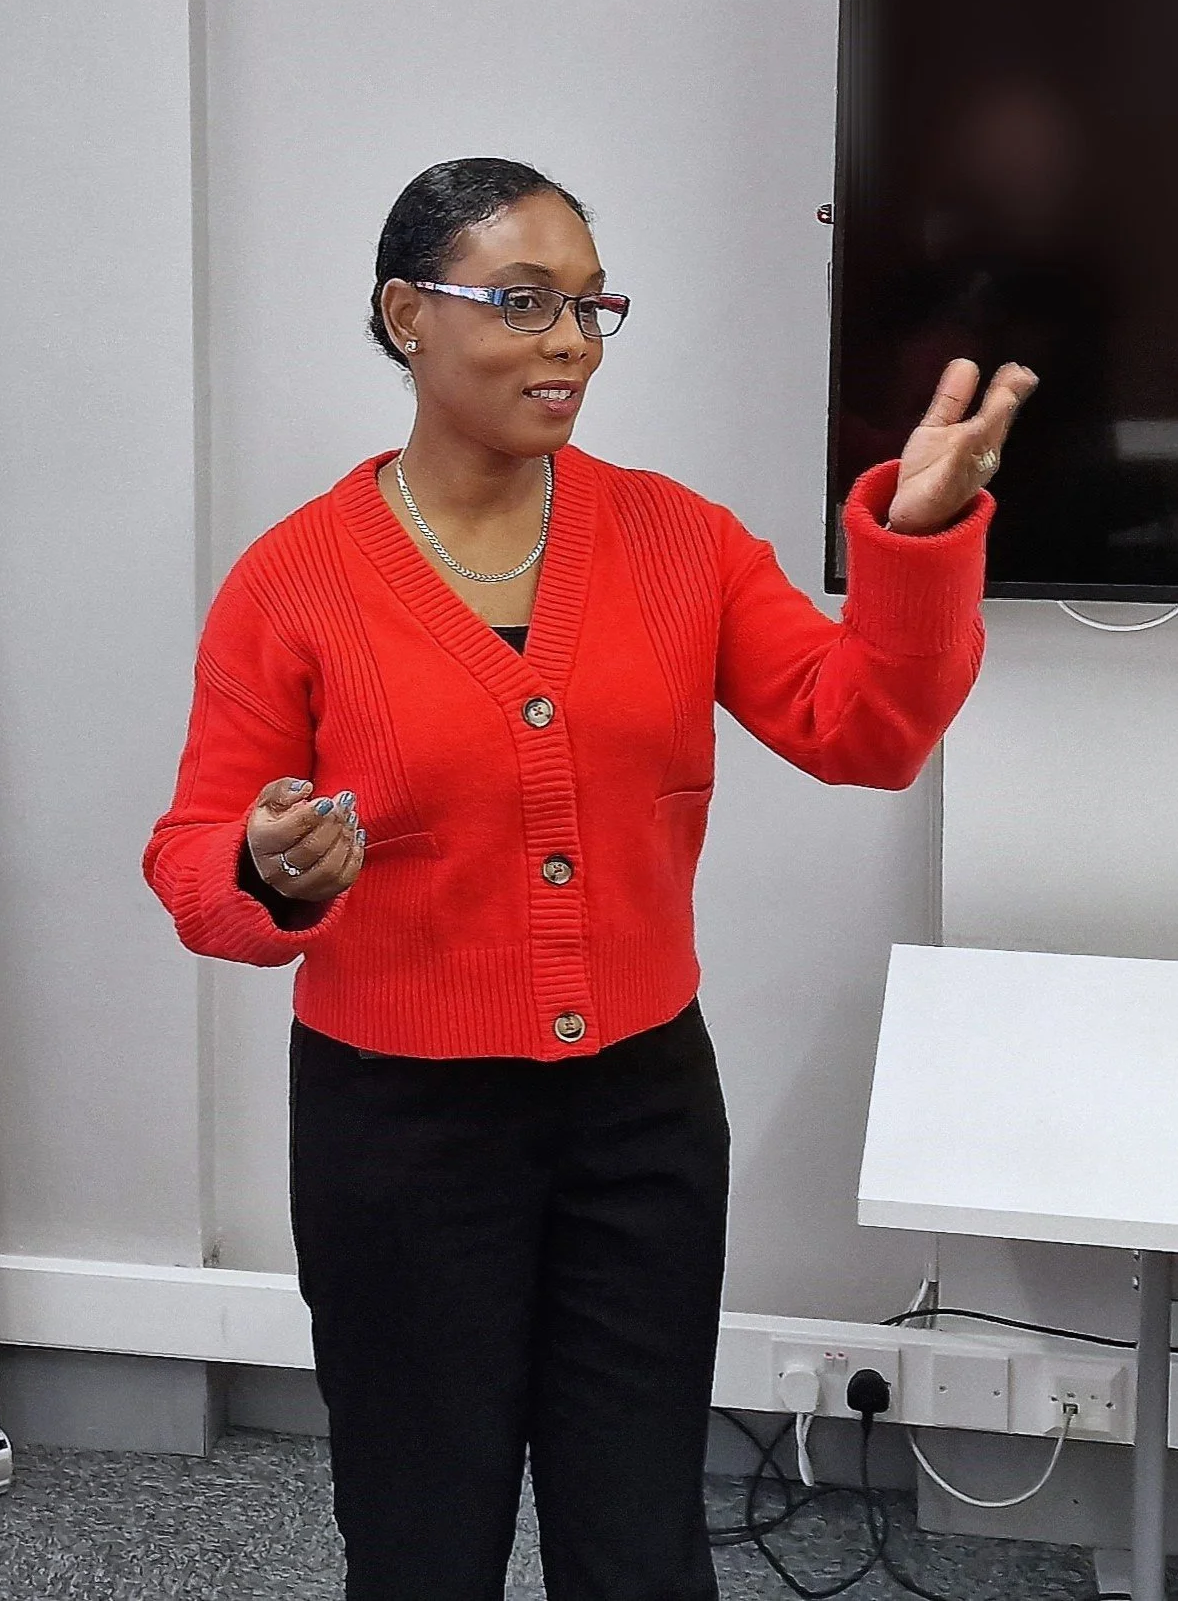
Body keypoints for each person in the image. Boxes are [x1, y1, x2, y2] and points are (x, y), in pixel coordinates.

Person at [143, 158, 1036, 1601]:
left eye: (589, 307)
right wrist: (270, 871)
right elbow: (192, 855)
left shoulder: (674, 540)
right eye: (521, 301)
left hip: (639, 1114)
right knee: (421, 1526)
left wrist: (916, 537)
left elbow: (862, 729)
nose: (568, 342)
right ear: (403, 316)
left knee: (636, 1528)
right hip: (400, 1131)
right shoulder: (294, 580)